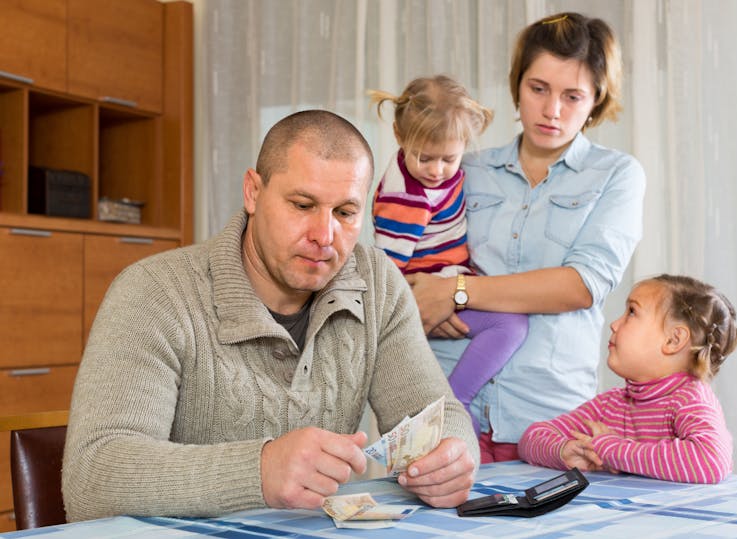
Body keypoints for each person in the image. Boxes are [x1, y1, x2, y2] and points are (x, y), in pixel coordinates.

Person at [62, 110, 479, 522]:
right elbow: (92, 477)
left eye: (345, 213)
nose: (324, 235)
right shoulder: (154, 292)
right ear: (253, 193)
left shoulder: (378, 283)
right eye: (302, 204)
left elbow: (440, 417)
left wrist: (452, 457)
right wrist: (258, 471)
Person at [407, 12, 646, 463]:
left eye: (572, 96)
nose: (552, 110)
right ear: (517, 84)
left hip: (547, 421)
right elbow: (410, 253)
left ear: (596, 100)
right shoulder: (466, 168)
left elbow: (580, 286)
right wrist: (423, 300)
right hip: (441, 402)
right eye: (538, 89)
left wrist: (454, 292)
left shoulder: (617, 176)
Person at [369, 75, 528, 435]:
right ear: (398, 136)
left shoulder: (434, 173)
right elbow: (388, 269)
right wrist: (415, 313)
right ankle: (457, 399)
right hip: (429, 287)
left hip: (448, 278)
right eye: (425, 158)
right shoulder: (405, 200)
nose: (437, 170)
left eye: (449, 159)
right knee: (511, 324)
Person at [519, 274, 737, 484]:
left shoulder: (690, 398)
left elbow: (710, 460)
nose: (614, 324)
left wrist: (611, 449)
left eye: (632, 312)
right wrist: (564, 451)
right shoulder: (610, 405)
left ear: (674, 340)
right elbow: (531, 438)